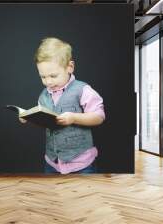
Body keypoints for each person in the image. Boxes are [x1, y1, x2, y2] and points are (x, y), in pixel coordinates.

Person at [20, 37, 105, 174]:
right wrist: (29, 117)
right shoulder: (43, 95)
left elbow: (99, 117)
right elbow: (45, 121)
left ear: (69, 67)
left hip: (81, 163)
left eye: (53, 76)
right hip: (52, 162)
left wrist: (74, 118)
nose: (48, 82)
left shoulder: (82, 90)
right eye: (43, 76)